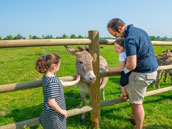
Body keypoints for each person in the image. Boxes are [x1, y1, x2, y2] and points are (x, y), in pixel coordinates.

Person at [107, 18, 158, 129]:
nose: (117, 38)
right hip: (151, 70)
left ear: (120, 29)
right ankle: (134, 116)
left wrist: (122, 71)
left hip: (141, 74)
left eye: (115, 35)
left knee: (137, 104)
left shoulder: (129, 39)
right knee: (134, 97)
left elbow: (131, 65)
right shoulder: (139, 31)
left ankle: (138, 127)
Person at [35, 53, 80, 129]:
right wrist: (62, 111)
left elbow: (62, 84)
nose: (59, 67)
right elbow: (51, 102)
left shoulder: (47, 76)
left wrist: (76, 81)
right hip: (55, 114)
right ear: (54, 66)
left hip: (47, 111)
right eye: (59, 65)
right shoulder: (53, 81)